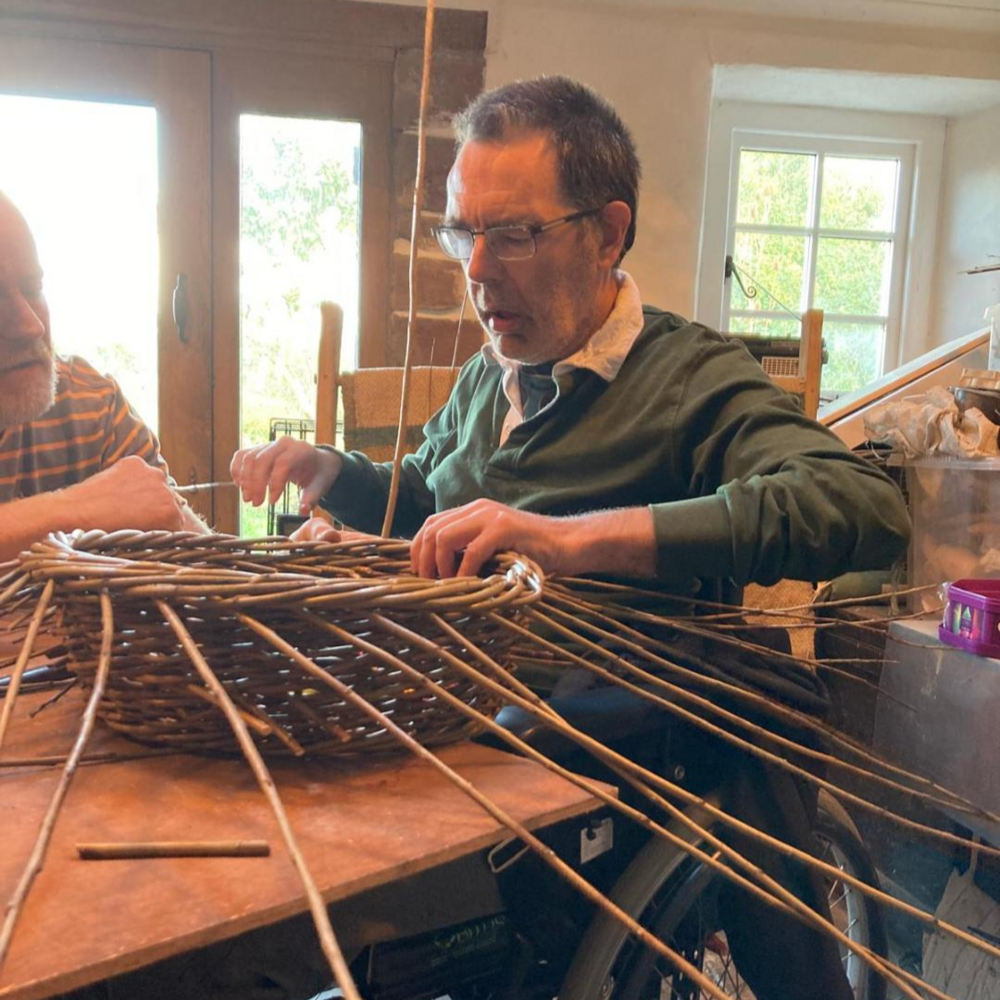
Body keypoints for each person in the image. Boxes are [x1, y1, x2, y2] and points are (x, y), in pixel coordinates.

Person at [231, 77, 910, 999]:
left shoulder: (690, 377)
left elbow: (857, 501)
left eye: (513, 233)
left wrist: (568, 540)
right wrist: (330, 474)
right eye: (463, 233)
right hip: (443, 713)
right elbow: (434, 501)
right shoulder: (491, 374)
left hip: (577, 757)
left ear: (608, 232)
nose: (477, 269)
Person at [0, 191, 205, 562]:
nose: (31, 325)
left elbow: (198, 560)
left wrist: (284, 565)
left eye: (33, 289)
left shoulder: (92, 408)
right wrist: (79, 507)